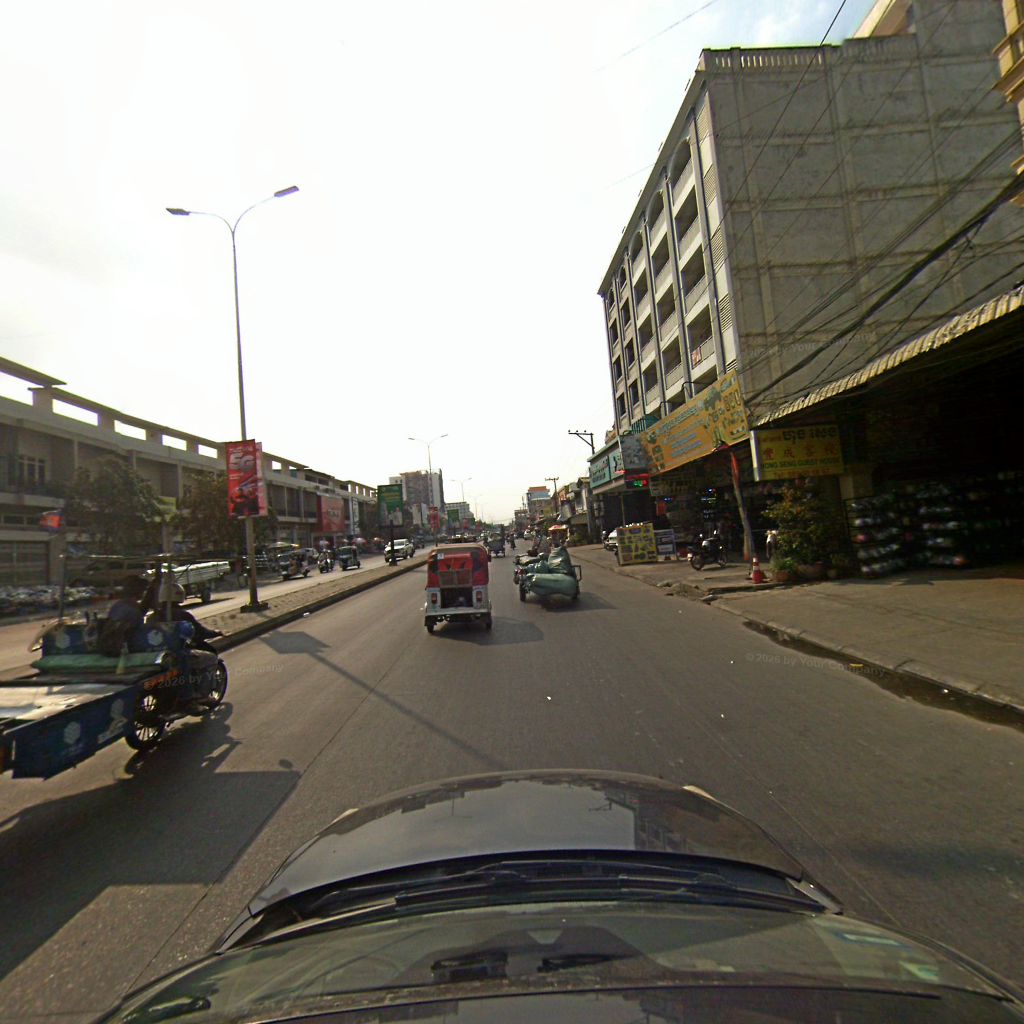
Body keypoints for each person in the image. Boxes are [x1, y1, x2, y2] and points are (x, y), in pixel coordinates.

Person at [149, 581, 223, 654]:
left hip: (157, 651)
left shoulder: (152, 617)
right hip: (180, 651)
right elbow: (199, 631)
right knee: (211, 653)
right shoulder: (183, 615)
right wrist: (215, 633)